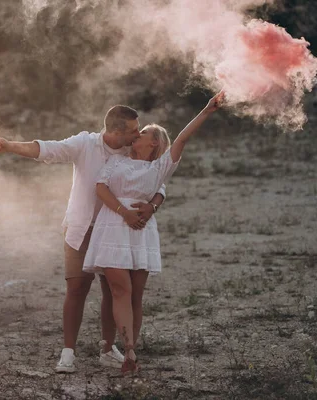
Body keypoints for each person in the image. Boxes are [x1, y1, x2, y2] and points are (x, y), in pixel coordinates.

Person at [0, 106, 168, 373]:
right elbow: (45, 149)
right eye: (132, 131)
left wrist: (152, 206)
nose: (136, 134)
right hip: (81, 227)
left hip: (116, 231)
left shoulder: (131, 152)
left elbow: (157, 182)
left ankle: (108, 349)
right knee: (76, 289)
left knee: (112, 292)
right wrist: (7, 145)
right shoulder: (84, 144)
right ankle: (68, 353)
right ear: (116, 131)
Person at [83, 91, 225, 374]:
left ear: (155, 142)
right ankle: (128, 350)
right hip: (113, 227)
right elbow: (100, 187)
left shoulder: (160, 167)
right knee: (119, 290)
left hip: (141, 232)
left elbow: (182, 139)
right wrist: (124, 212)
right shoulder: (118, 160)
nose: (138, 134)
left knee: (136, 295)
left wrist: (207, 111)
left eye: (144, 132)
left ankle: (129, 349)